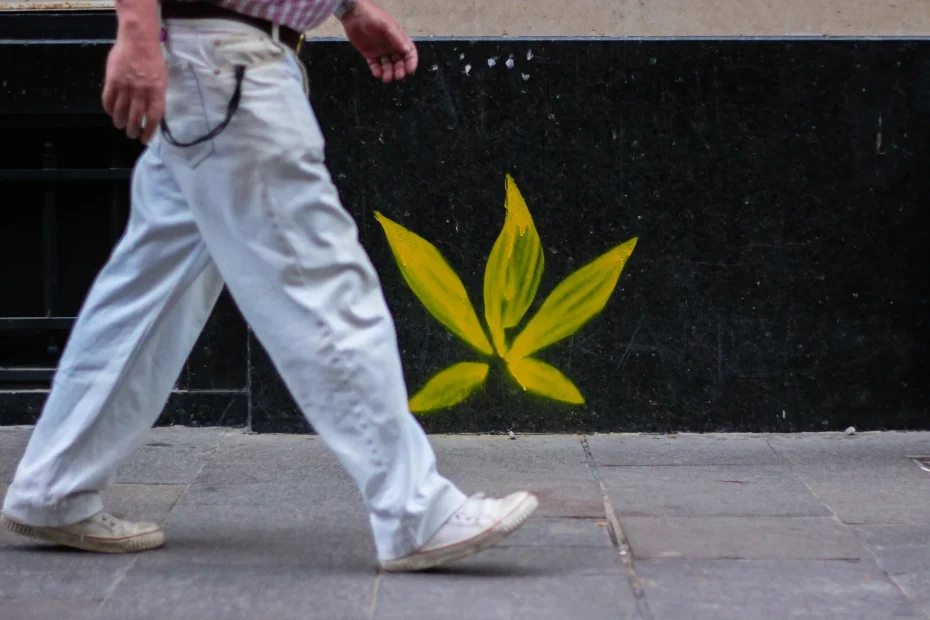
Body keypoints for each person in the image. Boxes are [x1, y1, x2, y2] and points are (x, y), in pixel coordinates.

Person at [0, 0, 538, 572]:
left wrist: (347, 7)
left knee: (150, 292)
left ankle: (53, 487)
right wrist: (135, 31)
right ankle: (416, 512)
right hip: (226, 64)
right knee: (325, 289)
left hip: (222, 60)